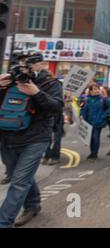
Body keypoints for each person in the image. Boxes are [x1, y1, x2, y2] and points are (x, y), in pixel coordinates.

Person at [0, 52, 63, 227]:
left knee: (19, 182)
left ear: (40, 65)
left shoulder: (51, 83)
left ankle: (3, 222)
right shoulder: (8, 82)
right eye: (20, 66)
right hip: (7, 138)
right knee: (19, 177)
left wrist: (36, 92)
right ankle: (33, 204)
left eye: (28, 65)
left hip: (35, 139)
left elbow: (57, 107)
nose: (24, 70)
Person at [80, 83, 110, 160]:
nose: (97, 90)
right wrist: (81, 115)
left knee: (95, 137)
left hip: (98, 122)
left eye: (98, 88)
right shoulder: (86, 99)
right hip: (88, 122)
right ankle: (92, 152)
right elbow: (83, 109)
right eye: (95, 89)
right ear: (90, 91)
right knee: (90, 138)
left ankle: (95, 153)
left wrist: (104, 115)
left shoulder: (103, 99)